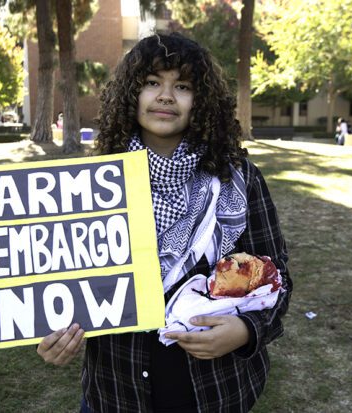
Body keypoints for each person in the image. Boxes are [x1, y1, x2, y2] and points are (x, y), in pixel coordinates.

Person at [36, 33, 292, 413]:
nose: (166, 96)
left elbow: (277, 279)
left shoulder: (238, 180)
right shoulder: (89, 187)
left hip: (216, 392)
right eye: (152, 83)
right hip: (116, 392)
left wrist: (245, 331)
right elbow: (54, 284)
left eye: (183, 86)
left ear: (201, 101)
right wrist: (50, 332)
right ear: (130, 95)